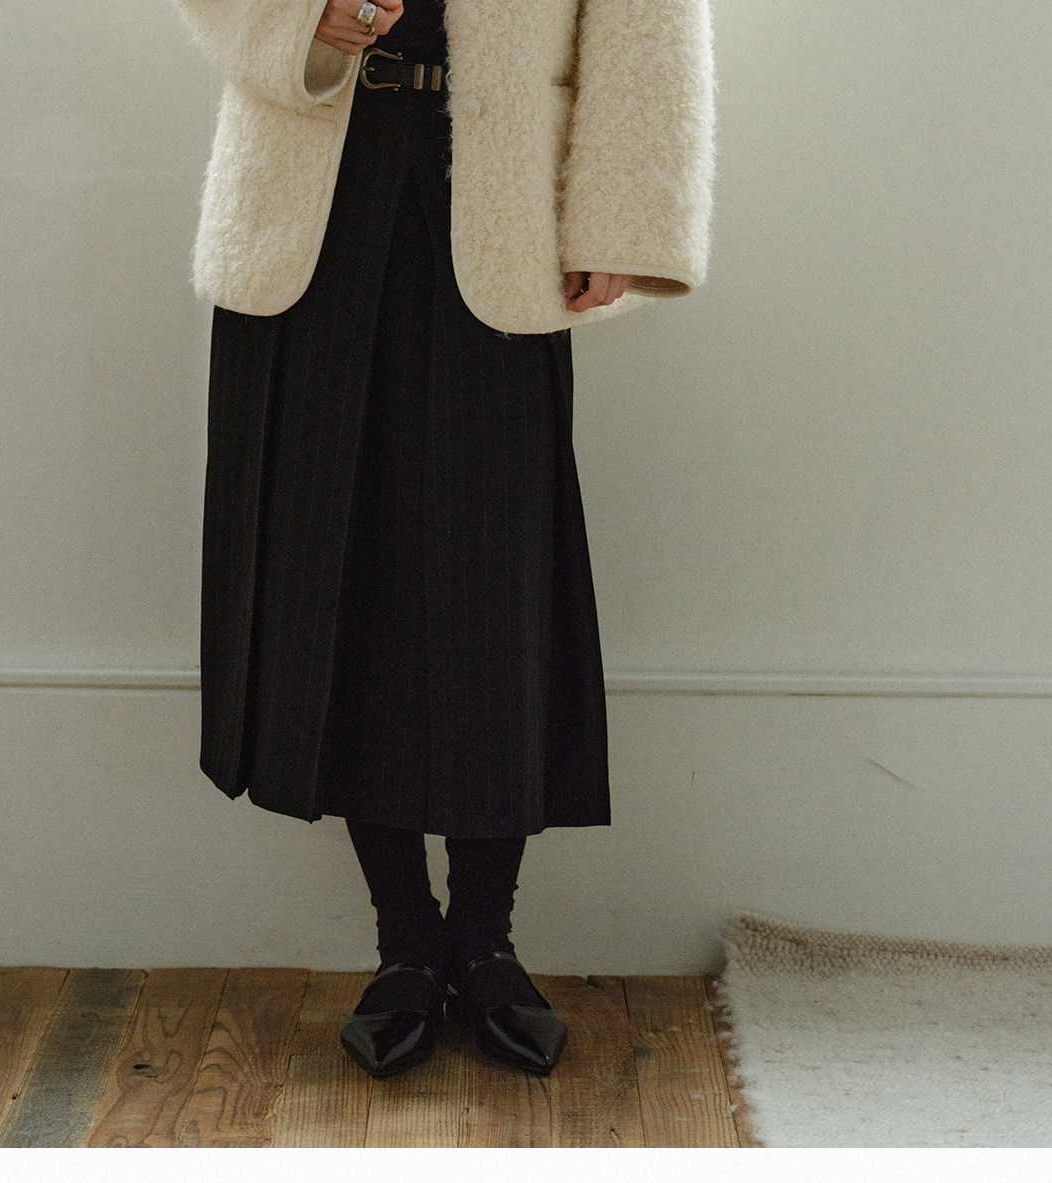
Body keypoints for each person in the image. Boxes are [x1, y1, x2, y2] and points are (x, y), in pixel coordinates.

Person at [171, 0, 714, 1078]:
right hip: (311, 187)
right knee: (340, 571)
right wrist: (301, 16)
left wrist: (620, 215)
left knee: (492, 581)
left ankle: (486, 939)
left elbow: (650, 19)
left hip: (504, 201)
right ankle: (406, 944)